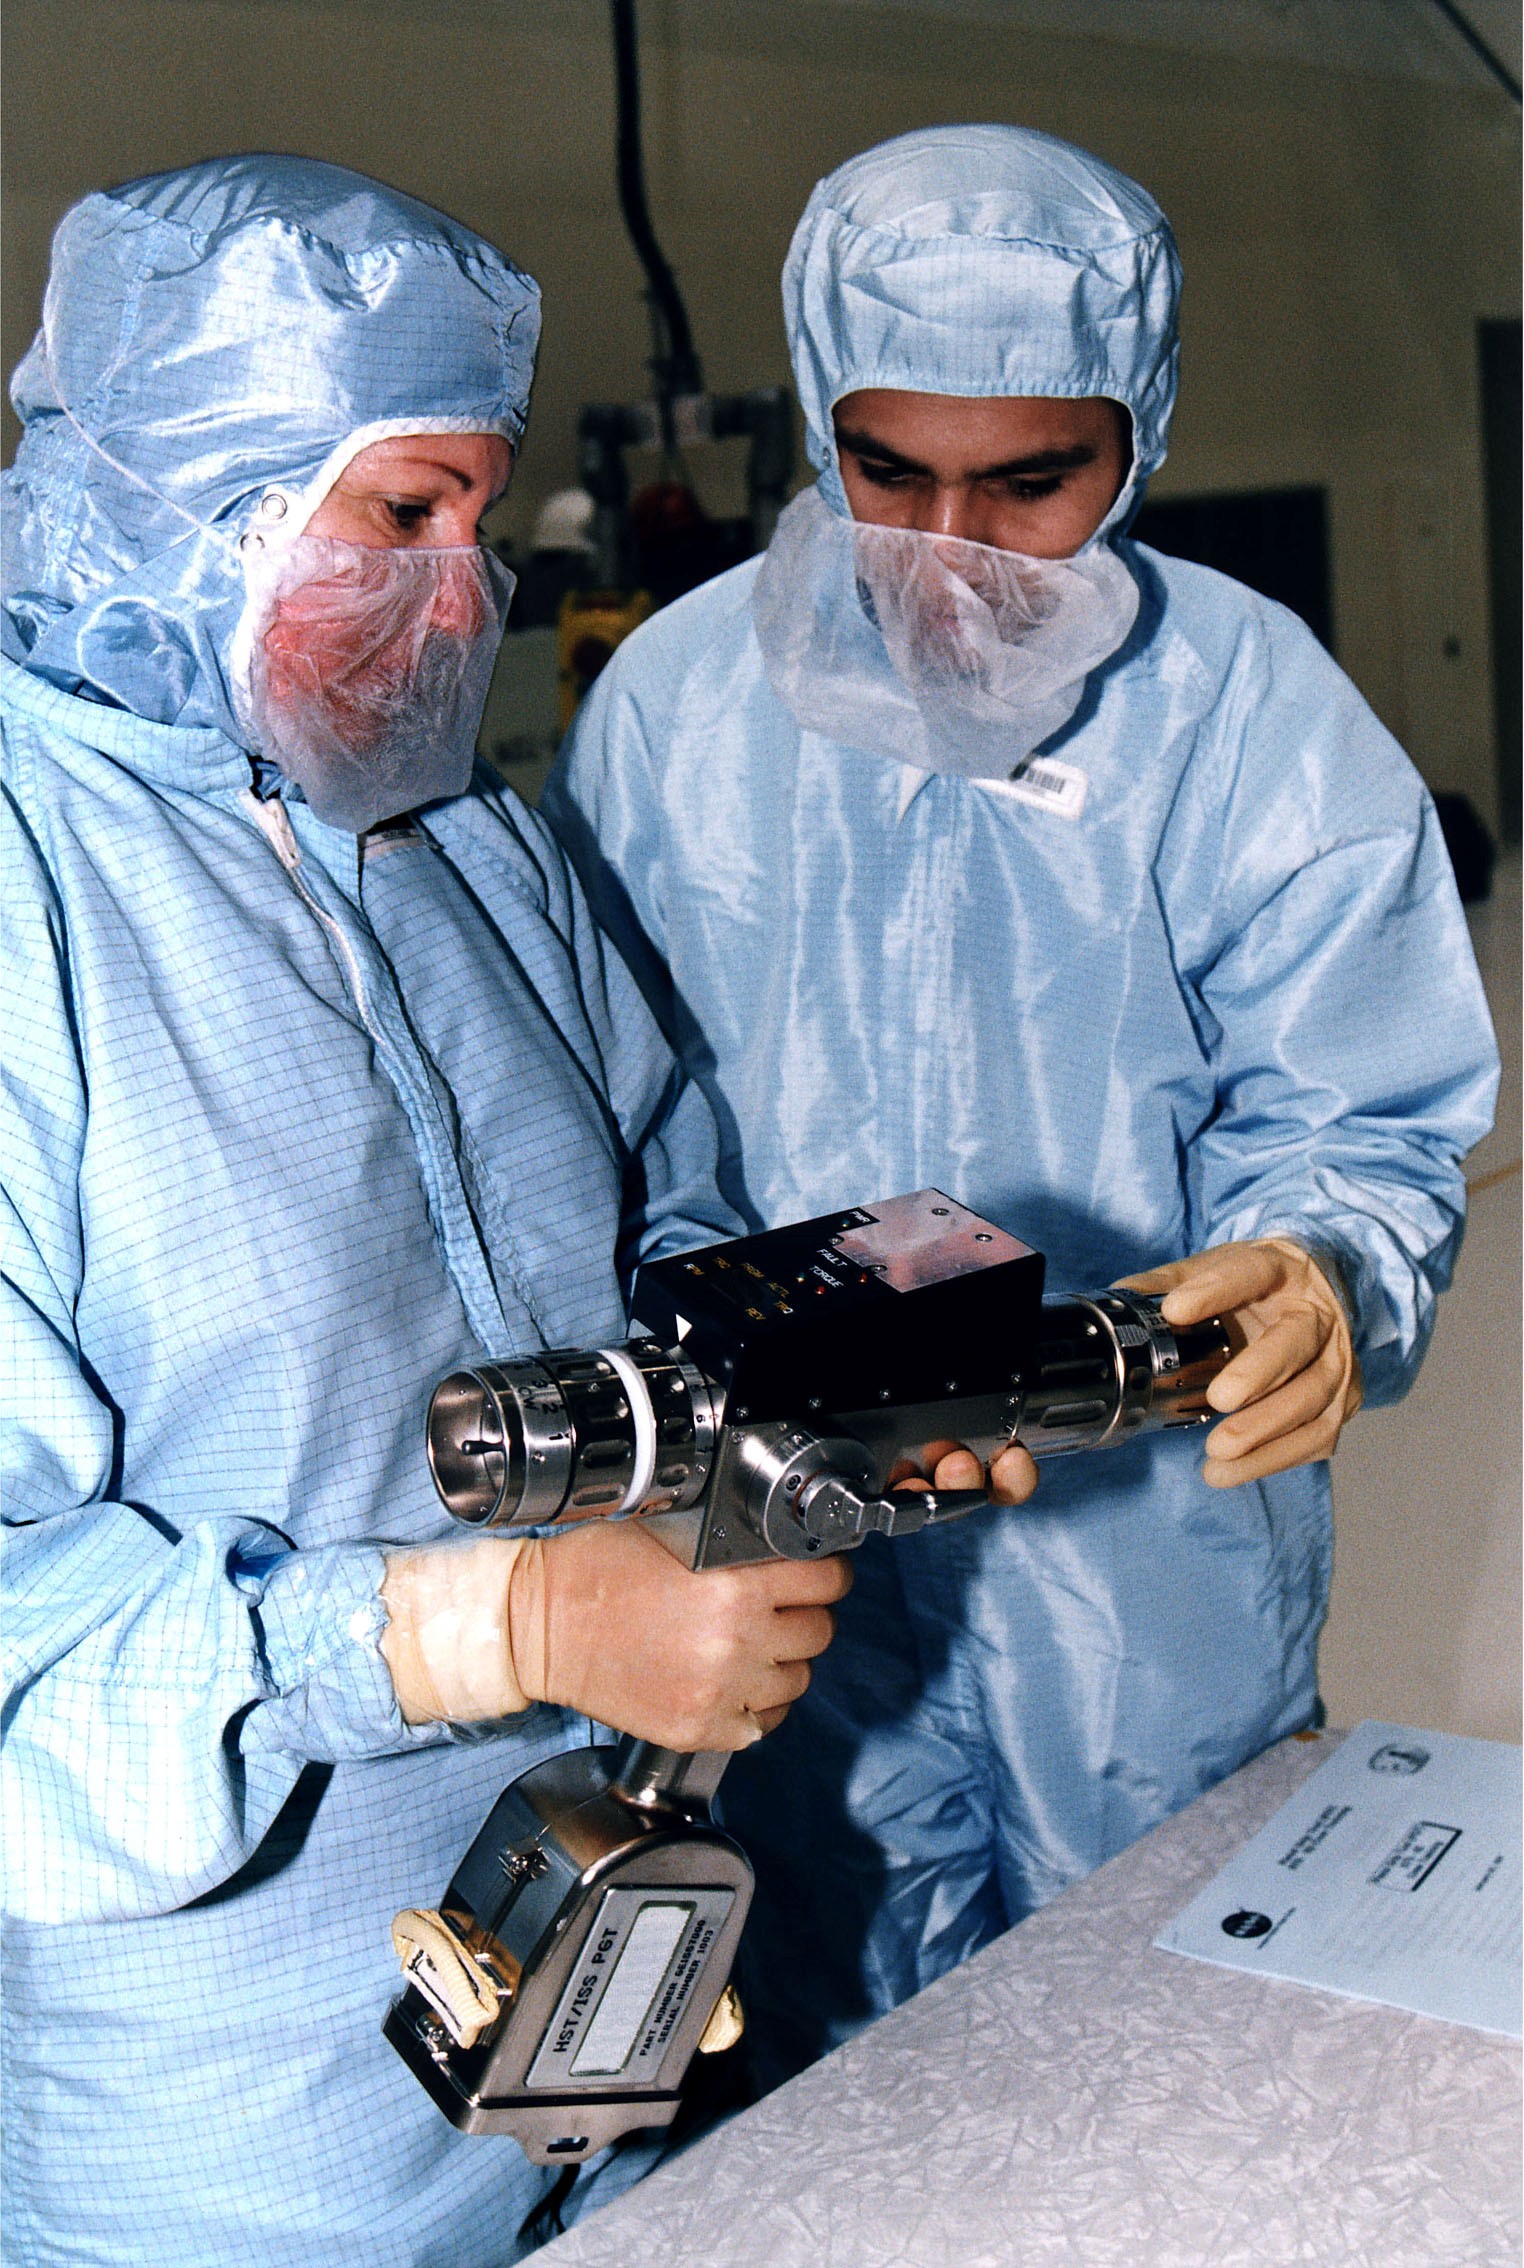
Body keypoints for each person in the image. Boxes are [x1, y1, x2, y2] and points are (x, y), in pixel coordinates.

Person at [542, 123, 1500, 2087]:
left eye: (1031, 481)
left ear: (1134, 435)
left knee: (1170, 2050)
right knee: (825, 2049)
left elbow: (1360, 1103)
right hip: (790, 1543)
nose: (951, 547)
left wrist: (1330, 1268)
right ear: (821, 416)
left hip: (1135, 1544)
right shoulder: (676, 707)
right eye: (888, 472)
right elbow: (613, 1121)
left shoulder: (1254, 712)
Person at [0, 156, 855, 2267]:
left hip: (595, 2014)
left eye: (484, 512)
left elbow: (669, 1210)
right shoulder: (32, 907)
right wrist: (498, 1624)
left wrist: (836, 1397)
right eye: (402, 517)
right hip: (238, 2124)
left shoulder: (470, 842)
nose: (463, 593)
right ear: (181, 494)